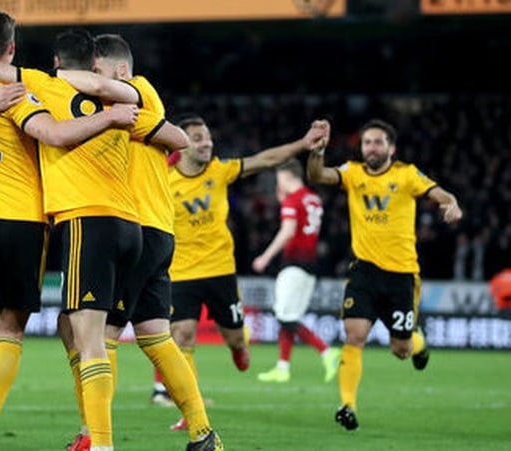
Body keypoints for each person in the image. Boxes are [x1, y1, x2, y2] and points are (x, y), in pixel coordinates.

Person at [0, 11, 140, 451]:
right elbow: (52, 133)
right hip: (25, 219)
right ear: (11, 49)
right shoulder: (20, 91)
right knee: (11, 331)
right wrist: (111, 118)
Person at [57, 33, 222, 451]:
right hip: (156, 228)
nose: (92, 79)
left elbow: (175, 136)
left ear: (120, 71)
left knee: (98, 336)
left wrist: (54, 77)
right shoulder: (128, 115)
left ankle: (93, 436)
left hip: (137, 225)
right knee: (154, 335)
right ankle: (203, 433)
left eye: (97, 71)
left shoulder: (138, 91)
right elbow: (175, 138)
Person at [160, 115, 330, 430]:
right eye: (197, 138)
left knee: (236, 339)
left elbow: (265, 159)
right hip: (181, 272)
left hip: (220, 270)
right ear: (180, 144)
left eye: (208, 136)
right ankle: (192, 409)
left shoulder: (220, 170)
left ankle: (238, 349)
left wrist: (304, 144)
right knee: (181, 336)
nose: (207, 143)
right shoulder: (162, 178)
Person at [306, 118, 463, 431]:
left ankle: (418, 343)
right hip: (364, 271)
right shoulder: (353, 173)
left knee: (400, 350)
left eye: (378, 142)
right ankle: (347, 406)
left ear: (391, 148)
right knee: (354, 335)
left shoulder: (406, 174)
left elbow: (440, 193)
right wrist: (317, 152)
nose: (372, 148)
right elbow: (317, 175)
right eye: (367, 142)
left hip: (401, 275)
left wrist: (452, 204)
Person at [251, 158, 340, 383]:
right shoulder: (313, 198)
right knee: (290, 316)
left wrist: (265, 257)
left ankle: (327, 352)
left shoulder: (293, 200)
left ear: (285, 176)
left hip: (293, 265)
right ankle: (283, 368)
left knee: (283, 315)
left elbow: (288, 231)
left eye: (278, 179)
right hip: (310, 266)